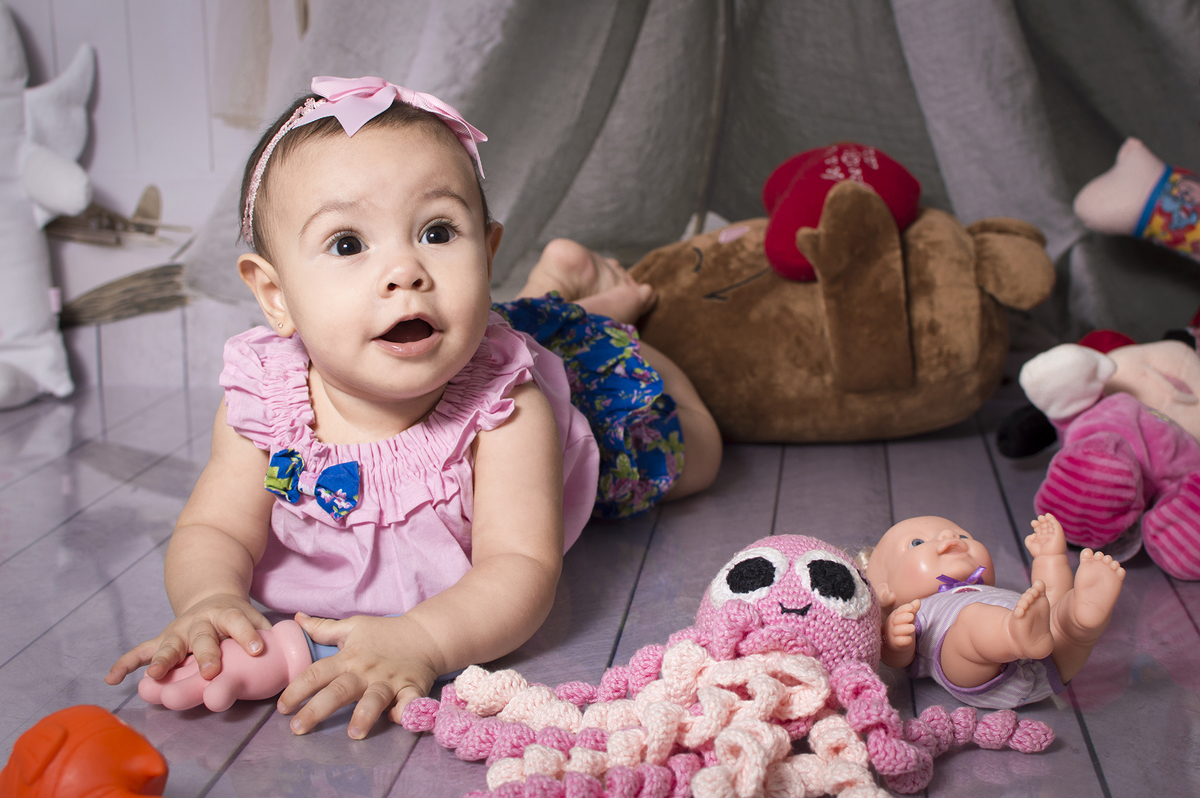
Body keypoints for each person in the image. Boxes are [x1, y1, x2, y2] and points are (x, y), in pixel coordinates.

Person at [105, 76, 722, 738]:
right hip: (475, 332)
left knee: (698, 453)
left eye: (436, 231)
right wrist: (209, 598)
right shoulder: (268, 403)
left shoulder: (507, 408)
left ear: (486, 255)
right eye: (348, 244)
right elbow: (214, 530)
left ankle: (621, 329)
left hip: (595, 403)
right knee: (528, 321)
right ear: (275, 295)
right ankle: (563, 287)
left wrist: (422, 640)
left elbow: (521, 569)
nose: (405, 270)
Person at [862, 513, 1124, 709]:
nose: (949, 538)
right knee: (970, 620)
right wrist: (896, 640)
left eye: (963, 536)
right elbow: (896, 659)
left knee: (1058, 612)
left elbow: (1050, 595)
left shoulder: (1003, 597)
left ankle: (1082, 619)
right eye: (917, 543)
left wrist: (1049, 558)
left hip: (1049, 659)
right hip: (979, 675)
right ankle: (1015, 635)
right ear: (885, 590)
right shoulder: (918, 611)